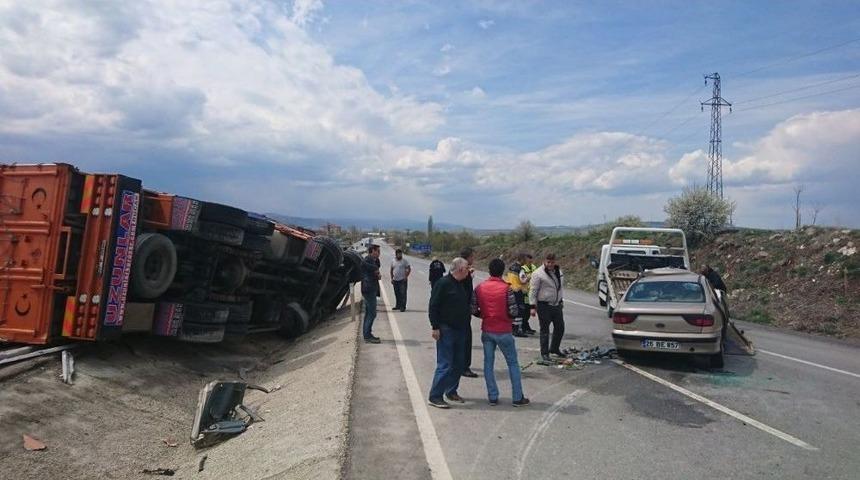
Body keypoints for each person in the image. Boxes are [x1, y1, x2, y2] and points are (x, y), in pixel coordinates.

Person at [473, 258, 530, 407]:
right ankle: (517, 398)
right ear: (502, 271)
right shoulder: (507, 288)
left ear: (489, 270)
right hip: (504, 330)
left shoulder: (480, 287)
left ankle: (492, 396)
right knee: (512, 363)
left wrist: (485, 315)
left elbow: (473, 309)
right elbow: (514, 311)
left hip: (487, 329)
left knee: (488, 364)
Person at [427, 257, 472, 409]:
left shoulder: (461, 283)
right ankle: (435, 396)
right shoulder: (443, 284)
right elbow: (433, 305)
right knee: (445, 363)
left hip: (461, 329)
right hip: (446, 329)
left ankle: (451, 391)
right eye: (467, 268)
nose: (469, 271)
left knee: (459, 363)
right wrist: (435, 327)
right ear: (460, 269)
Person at [529, 253, 565, 362]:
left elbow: (559, 288)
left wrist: (560, 300)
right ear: (544, 261)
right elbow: (533, 291)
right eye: (548, 262)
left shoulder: (558, 271)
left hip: (556, 305)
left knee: (560, 328)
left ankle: (554, 348)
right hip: (543, 305)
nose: (550, 264)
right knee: (545, 330)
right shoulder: (538, 274)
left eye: (552, 262)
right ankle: (544, 353)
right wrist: (532, 306)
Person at [459, 247, 479, 378]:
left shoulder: (462, 271)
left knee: (462, 338)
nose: (474, 259)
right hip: (463, 311)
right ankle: (464, 367)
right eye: (472, 256)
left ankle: (461, 364)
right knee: (465, 339)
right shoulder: (464, 274)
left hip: (462, 310)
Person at [360, 244, 382, 343]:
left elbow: (377, 268)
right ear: (372, 251)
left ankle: (367, 334)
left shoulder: (373, 260)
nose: (379, 253)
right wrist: (375, 269)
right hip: (368, 289)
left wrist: (376, 269)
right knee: (372, 313)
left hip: (370, 289)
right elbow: (363, 264)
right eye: (377, 251)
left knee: (369, 313)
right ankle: (367, 336)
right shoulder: (367, 259)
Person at [504, 253, 529, 337]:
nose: (526, 262)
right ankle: (517, 329)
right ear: (522, 259)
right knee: (520, 311)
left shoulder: (511, 267)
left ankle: (512, 328)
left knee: (513, 309)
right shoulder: (520, 269)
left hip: (510, 289)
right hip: (518, 291)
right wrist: (529, 277)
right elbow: (523, 280)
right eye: (525, 260)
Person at [520, 254, 538, 335]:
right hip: (525, 293)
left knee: (529, 312)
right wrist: (530, 276)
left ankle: (526, 326)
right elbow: (522, 280)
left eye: (531, 261)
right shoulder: (522, 268)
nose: (530, 262)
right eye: (528, 261)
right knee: (525, 312)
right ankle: (524, 327)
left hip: (533, 293)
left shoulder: (534, 267)